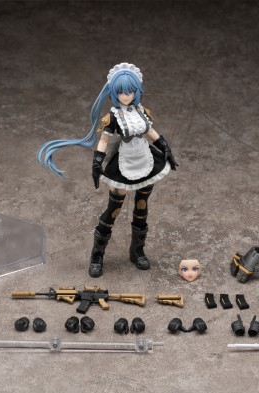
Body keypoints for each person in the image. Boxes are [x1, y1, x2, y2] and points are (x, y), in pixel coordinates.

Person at [37, 62, 178, 277]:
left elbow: (151, 132)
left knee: (141, 208)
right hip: (124, 163)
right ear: (114, 92)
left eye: (130, 91)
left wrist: (165, 147)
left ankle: (137, 251)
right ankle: (97, 255)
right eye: (121, 92)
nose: (126, 95)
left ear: (137, 91)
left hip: (145, 160)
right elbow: (103, 140)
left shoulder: (141, 111)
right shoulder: (112, 117)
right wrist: (97, 162)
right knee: (113, 210)